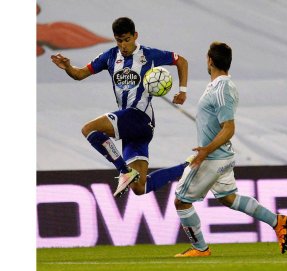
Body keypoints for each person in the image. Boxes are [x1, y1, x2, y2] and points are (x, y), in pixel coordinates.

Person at [174, 42, 287, 257]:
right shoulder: (216, 86)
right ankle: (277, 222)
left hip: (212, 158)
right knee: (228, 198)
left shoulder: (222, 89)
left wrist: (205, 151)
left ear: (210, 60)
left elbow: (229, 128)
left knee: (181, 200)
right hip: (221, 156)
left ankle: (200, 249)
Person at [51, 17, 190, 197]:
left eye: (127, 40)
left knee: (88, 129)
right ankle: (188, 167)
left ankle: (124, 171)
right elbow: (80, 74)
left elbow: (181, 61)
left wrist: (183, 91)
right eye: (119, 40)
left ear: (135, 36)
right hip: (131, 127)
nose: (123, 45)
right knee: (140, 187)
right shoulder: (109, 56)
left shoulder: (149, 54)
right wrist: (68, 67)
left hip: (140, 117)